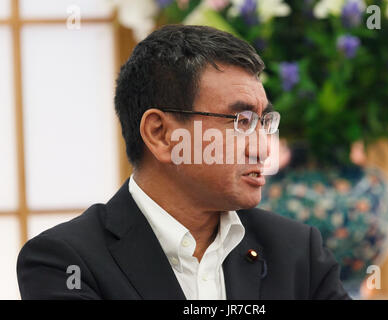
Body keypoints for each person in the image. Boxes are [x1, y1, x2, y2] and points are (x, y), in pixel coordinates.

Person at [17, 24, 350, 300]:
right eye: (241, 122)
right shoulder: (65, 262)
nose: (263, 148)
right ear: (161, 134)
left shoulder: (297, 251)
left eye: (264, 122)